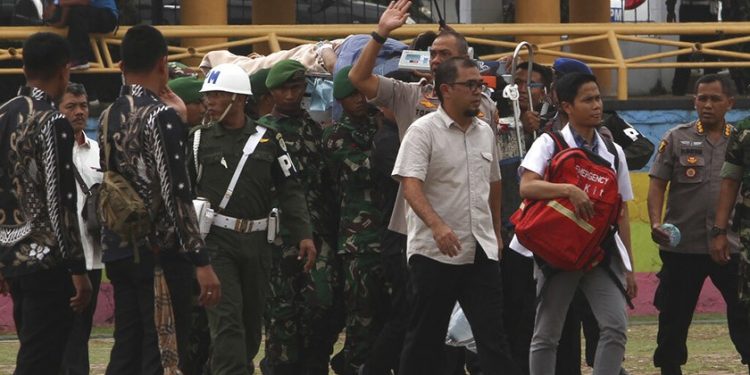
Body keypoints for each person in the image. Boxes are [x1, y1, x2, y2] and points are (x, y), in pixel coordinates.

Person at [99, 24, 221, 375]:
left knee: (127, 347)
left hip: (120, 245)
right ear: (163, 63)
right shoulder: (160, 115)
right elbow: (176, 194)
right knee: (163, 349)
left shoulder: (110, 114)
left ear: (121, 64)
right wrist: (200, 259)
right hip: (159, 252)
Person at [392, 56, 520, 375]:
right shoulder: (422, 132)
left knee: (492, 337)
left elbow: (494, 183)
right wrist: (437, 226)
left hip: (480, 250)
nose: (479, 91)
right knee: (425, 338)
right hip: (434, 253)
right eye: (471, 85)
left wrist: (496, 233)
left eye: (482, 84)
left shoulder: (484, 132)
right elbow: (410, 186)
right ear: (446, 89)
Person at [187, 62, 314, 375]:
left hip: (258, 243)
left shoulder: (269, 139)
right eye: (208, 95)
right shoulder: (197, 140)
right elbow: (184, 194)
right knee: (227, 321)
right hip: (216, 242)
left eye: (217, 94)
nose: (210, 101)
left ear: (239, 98)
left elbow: (290, 188)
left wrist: (304, 233)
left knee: (250, 325)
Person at [512, 72, 636, 375]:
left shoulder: (615, 153)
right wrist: (568, 189)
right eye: (588, 100)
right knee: (547, 333)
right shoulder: (549, 142)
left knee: (615, 327)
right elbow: (527, 187)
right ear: (567, 106)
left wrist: (629, 267)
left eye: (598, 98)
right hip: (558, 252)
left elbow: (621, 212)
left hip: (599, 253)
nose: (597, 105)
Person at [0, 31, 91, 375]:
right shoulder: (52, 120)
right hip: (47, 260)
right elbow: (60, 201)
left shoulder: (4, 113)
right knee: (43, 360)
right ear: (64, 70)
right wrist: (77, 268)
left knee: (33, 350)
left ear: (24, 66)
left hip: (13, 255)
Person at [651, 74, 750, 375]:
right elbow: (657, 185)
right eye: (701, 98)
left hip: (730, 248)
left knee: (744, 314)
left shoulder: (741, 140)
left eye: (715, 99)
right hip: (683, 247)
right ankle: (669, 368)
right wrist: (656, 223)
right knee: (673, 317)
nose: (707, 105)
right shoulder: (677, 138)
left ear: (730, 103)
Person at [257, 59, 337, 375]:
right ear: (271, 91)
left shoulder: (316, 132)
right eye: (282, 88)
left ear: (304, 89)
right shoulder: (261, 133)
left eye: (295, 87)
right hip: (277, 240)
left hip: (317, 236)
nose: (289, 94)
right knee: (280, 320)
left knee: (322, 309)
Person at [322, 66, 390, 374]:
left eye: (363, 92)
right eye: (351, 96)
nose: (360, 100)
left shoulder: (382, 126)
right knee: (360, 318)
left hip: (389, 235)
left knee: (387, 316)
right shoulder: (337, 135)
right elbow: (365, 170)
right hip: (357, 242)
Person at [58, 82, 104, 375]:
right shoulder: (45, 151)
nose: (79, 112)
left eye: (83, 106)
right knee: (57, 335)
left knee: (81, 333)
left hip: (94, 256)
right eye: (71, 106)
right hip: (58, 257)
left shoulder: (100, 150)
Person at [666, 0, 720, 95]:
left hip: (706, 9)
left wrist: (670, 9)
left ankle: (711, 89)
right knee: (685, 50)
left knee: (710, 52)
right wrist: (670, 9)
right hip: (690, 9)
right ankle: (679, 90)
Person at [46, 0, 118, 70]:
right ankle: (66, 56)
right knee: (76, 12)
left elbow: (84, 1)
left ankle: (80, 58)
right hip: (89, 15)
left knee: (79, 12)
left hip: (107, 16)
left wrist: (57, 3)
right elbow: (67, 5)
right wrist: (61, 22)